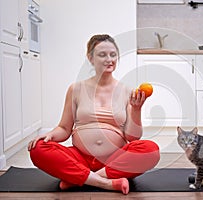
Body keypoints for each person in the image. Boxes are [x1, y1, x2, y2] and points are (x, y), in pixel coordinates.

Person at [28, 34, 160, 195]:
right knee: (38, 148)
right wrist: (49, 135)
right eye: (102, 54)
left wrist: (137, 109)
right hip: (80, 158)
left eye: (113, 54)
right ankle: (106, 183)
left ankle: (82, 179)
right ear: (90, 58)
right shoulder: (76, 89)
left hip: (114, 159)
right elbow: (64, 128)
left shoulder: (127, 91)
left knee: (151, 150)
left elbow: (133, 138)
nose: (109, 59)